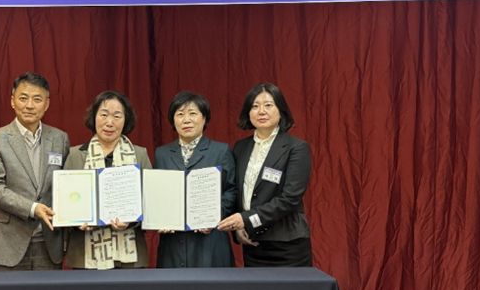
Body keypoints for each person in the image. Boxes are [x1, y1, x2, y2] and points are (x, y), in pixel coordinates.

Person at [0, 72, 70, 270]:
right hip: (8, 243)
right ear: (12, 101)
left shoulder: (60, 139)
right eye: (23, 98)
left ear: (46, 104)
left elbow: (67, 184)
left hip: (49, 243)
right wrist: (33, 208)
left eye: (37, 99)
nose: (29, 105)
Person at [217, 83, 312, 266]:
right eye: (255, 106)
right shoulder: (240, 147)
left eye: (268, 105)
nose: (261, 111)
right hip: (253, 243)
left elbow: (290, 198)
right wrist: (239, 227)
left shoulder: (296, 148)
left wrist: (246, 220)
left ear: (281, 111)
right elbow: (236, 190)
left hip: (287, 244)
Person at [64, 91, 152, 269]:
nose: (109, 122)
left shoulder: (139, 154)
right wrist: (76, 220)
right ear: (94, 117)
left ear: (126, 120)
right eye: (103, 115)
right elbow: (65, 201)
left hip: (130, 257)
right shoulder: (75, 155)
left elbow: (151, 201)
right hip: (85, 256)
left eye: (117, 116)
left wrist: (131, 221)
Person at [155, 91, 237, 268]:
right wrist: (159, 217)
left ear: (204, 118)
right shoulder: (162, 154)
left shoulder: (220, 151)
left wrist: (214, 216)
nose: (186, 120)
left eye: (193, 113)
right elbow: (156, 194)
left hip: (210, 240)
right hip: (173, 242)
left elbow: (231, 190)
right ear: (173, 120)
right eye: (180, 114)